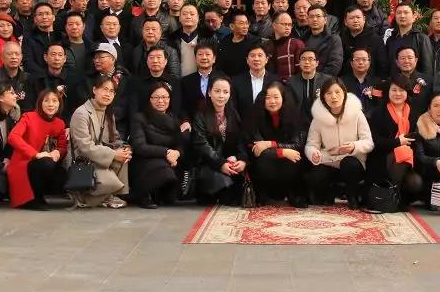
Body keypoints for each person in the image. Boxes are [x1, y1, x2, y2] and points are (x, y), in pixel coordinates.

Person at [304, 78, 374, 208]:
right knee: (315, 177)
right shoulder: (318, 118)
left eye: (337, 92)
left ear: (344, 94)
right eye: (329, 93)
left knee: (349, 164)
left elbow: (369, 142)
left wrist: (354, 146)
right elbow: (311, 144)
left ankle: (352, 194)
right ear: (323, 97)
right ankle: (329, 193)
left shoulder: (356, 113)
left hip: (351, 162)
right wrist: (313, 153)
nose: (333, 97)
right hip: (329, 161)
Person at [69, 76, 131, 208]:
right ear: (94, 90)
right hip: (83, 160)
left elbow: (114, 139)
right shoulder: (81, 113)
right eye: (104, 89)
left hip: (99, 157)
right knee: (111, 181)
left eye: (111, 91)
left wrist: (125, 148)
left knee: (123, 157)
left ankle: (109, 196)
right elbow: (85, 146)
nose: (107, 94)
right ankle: (84, 196)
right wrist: (113, 154)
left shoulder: (108, 113)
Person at [130, 81, 190, 209]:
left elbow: (180, 145)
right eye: (156, 97)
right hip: (145, 160)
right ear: (149, 99)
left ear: (170, 99)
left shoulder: (175, 119)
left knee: (171, 193)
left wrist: (177, 153)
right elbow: (139, 146)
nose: (161, 101)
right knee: (164, 172)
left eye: (164, 97)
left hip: (169, 160)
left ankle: (160, 194)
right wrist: (166, 152)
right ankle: (144, 195)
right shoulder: (139, 118)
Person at [6, 89, 68, 210]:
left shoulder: (60, 123)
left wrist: (58, 152)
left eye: (54, 101)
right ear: (40, 103)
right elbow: (13, 137)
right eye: (46, 101)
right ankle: (33, 199)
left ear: (59, 104)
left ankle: (40, 196)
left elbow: (63, 146)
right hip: (24, 163)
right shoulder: (28, 117)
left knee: (61, 175)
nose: (51, 104)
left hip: (46, 162)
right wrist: (35, 154)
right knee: (46, 163)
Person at [366, 75, 423, 208]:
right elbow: (375, 141)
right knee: (401, 150)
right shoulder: (378, 112)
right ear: (388, 91)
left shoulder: (414, 112)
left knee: (416, 183)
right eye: (394, 90)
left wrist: (405, 144)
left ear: (407, 92)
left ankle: (394, 197)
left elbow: (418, 139)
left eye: (401, 90)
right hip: (382, 158)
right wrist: (398, 142)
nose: (398, 93)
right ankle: (391, 198)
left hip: (408, 161)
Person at [247, 82, 307, 206]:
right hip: (265, 163)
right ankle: (262, 194)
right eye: (268, 98)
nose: (272, 101)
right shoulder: (255, 116)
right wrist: (282, 152)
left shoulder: (293, 115)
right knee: (263, 160)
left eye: (276, 97)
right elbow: (257, 148)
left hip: (287, 163)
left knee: (294, 158)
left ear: (283, 98)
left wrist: (271, 144)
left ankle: (292, 194)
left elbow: (297, 145)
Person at [191, 76, 248, 205]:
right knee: (222, 190)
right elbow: (201, 145)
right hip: (208, 163)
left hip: (229, 163)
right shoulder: (200, 114)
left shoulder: (233, 114)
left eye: (225, 92)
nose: (221, 96)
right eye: (217, 91)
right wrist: (220, 163)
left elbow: (240, 141)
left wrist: (242, 159)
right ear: (209, 92)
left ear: (230, 94)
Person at [30, 43, 88, 123]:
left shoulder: (75, 78)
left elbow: (80, 104)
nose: (57, 58)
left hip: (68, 122)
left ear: (64, 59)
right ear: (45, 57)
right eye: (53, 54)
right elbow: (31, 105)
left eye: (60, 55)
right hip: (40, 121)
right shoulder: (37, 79)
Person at [86, 43, 130, 139]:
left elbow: (125, 106)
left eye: (101, 57)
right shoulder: (88, 79)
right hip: (92, 123)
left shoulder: (125, 79)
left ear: (113, 59)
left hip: (118, 125)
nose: (96, 60)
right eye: (95, 58)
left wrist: (107, 119)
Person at [0, 41, 34, 112]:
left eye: (17, 54)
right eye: (9, 54)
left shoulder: (28, 78)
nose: (14, 57)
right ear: (2, 57)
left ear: (21, 57)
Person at [386, 3, 433, 78]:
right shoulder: (391, 40)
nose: (402, 16)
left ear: (414, 17)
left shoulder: (421, 38)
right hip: (394, 83)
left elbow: (427, 67)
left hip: (415, 82)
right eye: (399, 13)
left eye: (406, 12)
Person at [340, 5, 388, 79]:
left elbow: (382, 65)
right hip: (346, 81)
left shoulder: (375, 39)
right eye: (352, 18)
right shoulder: (341, 39)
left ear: (364, 19)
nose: (355, 21)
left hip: (371, 81)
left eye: (358, 17)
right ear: (345, 22)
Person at [181, 43, 226, 119]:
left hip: (218, 121)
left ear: (214, 59)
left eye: (207, 54)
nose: (204, 57)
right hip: (193, 122)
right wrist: (185, 121)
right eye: (200, 54)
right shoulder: (186, 81)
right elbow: (182, 106)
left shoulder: (223, 79)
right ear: (195, 58)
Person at [288, 48, 332, 125]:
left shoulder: (327, 81)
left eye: (311, 59)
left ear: (317, 63)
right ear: (299, 62)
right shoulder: (291, 82)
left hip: (321, 122)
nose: (307, 62)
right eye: (303, 59)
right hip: (298, 123)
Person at [232, 44, 278, 118]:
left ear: (266, 59)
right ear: (247, 60)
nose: (256, 59)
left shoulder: (276, 81)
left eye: (260, 55)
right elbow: (233, 108)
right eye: (252, 55)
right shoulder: (236, 82)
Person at [216, 10, 261, 77]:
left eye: (246, 23)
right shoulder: (225, 41)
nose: (245, 26)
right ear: (232, 26)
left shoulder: (254, 42)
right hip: (226, 79)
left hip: (246, 79)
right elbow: (220, 64)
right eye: (241, 23)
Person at [305, 5, 343, 78]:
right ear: (307, 20)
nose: (315, 19)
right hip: (305, 80)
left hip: (326, 81)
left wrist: (318, 80)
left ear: (325, 20)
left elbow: (335, 65)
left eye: (318, 16)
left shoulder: (333, 39)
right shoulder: (303, 39)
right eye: (311, 16)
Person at [393, 46, 432, 118]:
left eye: (410, 58)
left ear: (416, 60)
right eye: (403, 58)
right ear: (397, 62)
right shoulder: (391, 82)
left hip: (422, 121)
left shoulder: (429, 81)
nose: (406, 61)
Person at [22, 3, 60, 75]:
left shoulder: (61, 36)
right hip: (38, 77)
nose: (44, 17)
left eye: (47, 13)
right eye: (40, 14)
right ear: (35, 19)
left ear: (53, 17)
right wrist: (45, 75)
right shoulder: (29, 38)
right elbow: (28, 62)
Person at [267, 11, 305, 83]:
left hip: (290, 86)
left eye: (290, 25)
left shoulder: (297, 44)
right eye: (284, 24)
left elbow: (302, 71)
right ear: (274, 25)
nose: (287, 27)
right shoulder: (267, 45)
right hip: (270, 86)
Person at [165, 4, 201, 78]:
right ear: (180, 18)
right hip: (178, 80)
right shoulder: (172, 38)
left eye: (192, 14)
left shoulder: (206, 37)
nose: (188, 17)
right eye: (184, 14)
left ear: (198, 17)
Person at [341, 48, 380, 116]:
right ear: (351, 63)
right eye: (357, 59)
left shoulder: (378, 82)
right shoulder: (341, 82)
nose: (361, 62)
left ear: (369, 63)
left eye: (364, 59)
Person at [61, 11, 95, 77]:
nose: (74, 27)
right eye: (70, 24)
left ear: (84, 26)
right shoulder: (60, 47)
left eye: (78, 24)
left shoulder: (92, 47)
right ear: (65, 27)